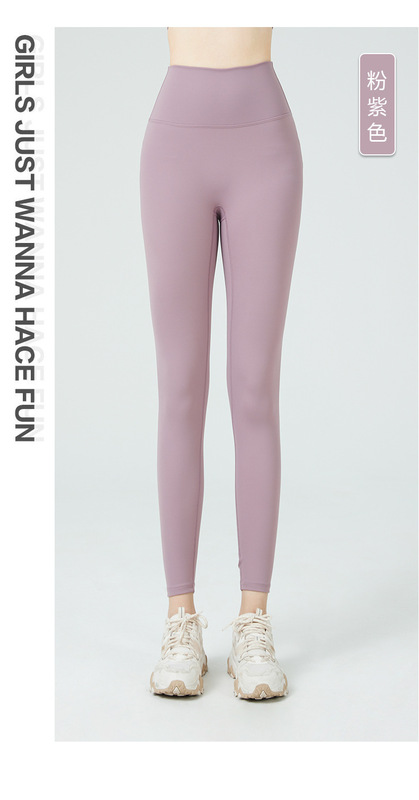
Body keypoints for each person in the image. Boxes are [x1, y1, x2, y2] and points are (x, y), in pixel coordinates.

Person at [139, 27, 303, 699]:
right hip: (173, 147)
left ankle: (252, 622)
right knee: (180, 389)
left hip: (265, 146)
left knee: (254, 390)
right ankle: (180, 620)